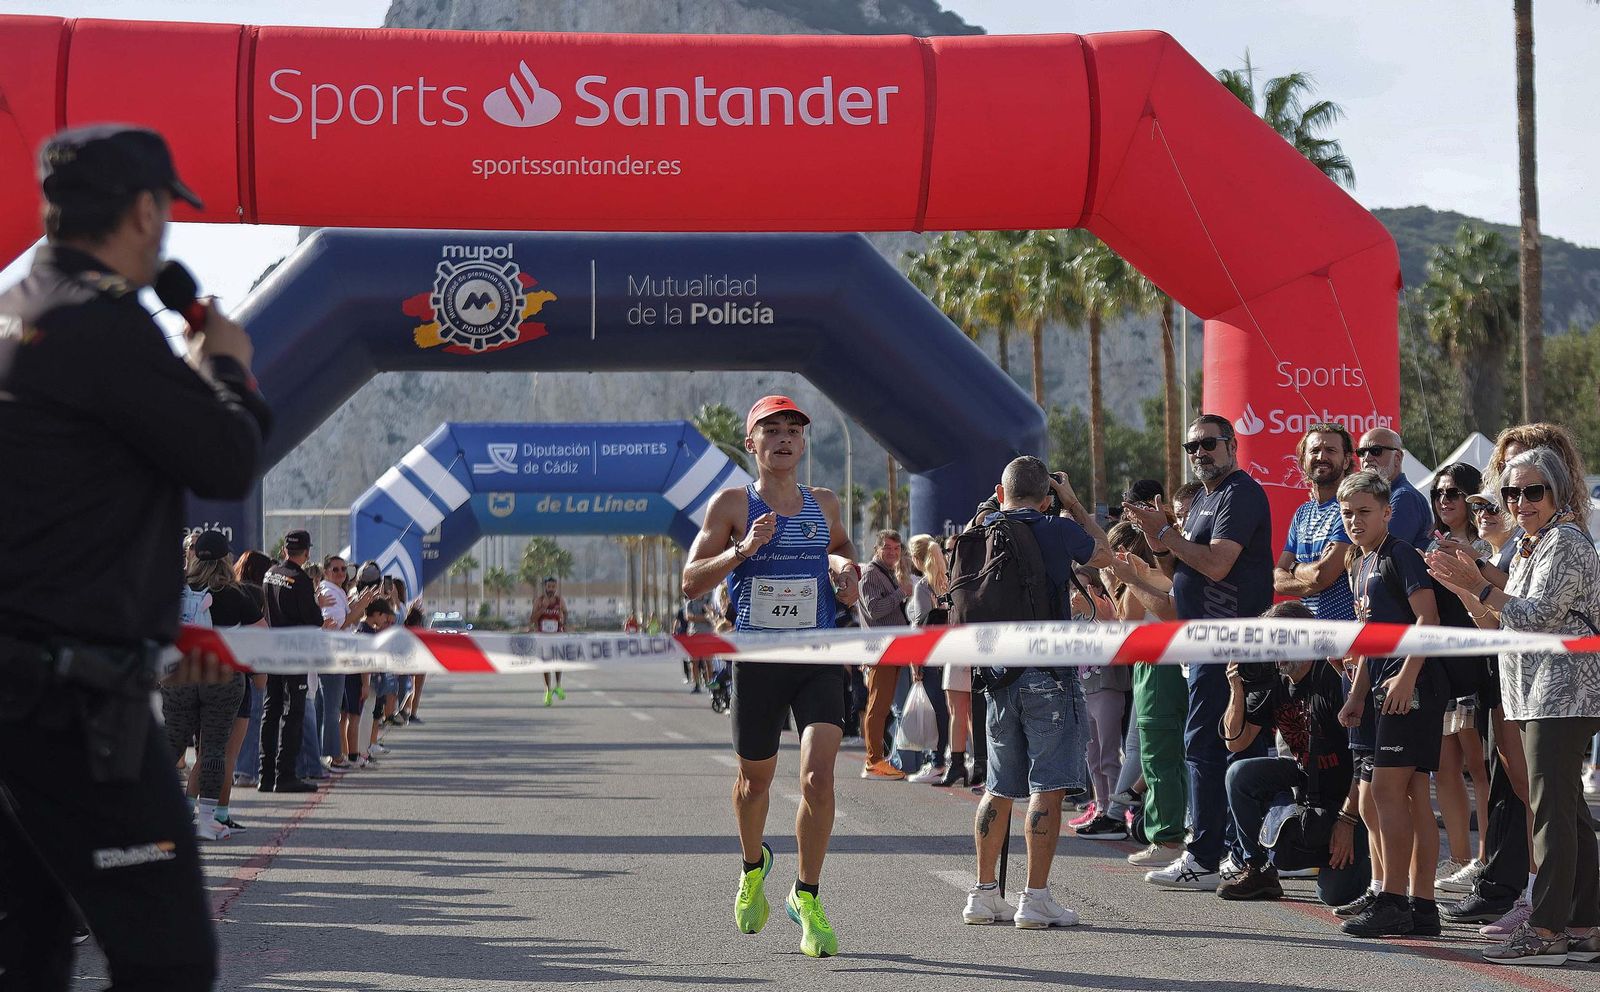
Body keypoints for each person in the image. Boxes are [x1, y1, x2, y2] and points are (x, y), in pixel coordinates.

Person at [0, 123, 269, 991]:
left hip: (23, 697)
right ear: (147, 211)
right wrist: (226, 369)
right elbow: (224, 460)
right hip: (75, 707)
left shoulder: (20, 306)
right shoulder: (102, 324)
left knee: (29, 948)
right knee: (168, 956)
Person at [681, 395, 860, 958]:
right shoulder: (733, 503)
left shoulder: (824, 503)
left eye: (793, 430)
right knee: (754, 782)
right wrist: (742, 549)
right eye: (772, 430)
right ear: (752, 443)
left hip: (817, 656)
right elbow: (691, 580)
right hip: (757, 661)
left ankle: (806, 896)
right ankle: (752, 865)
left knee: (818, 779)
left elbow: (840, 548)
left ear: (803, 443)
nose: (784, 438)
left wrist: (845, 571)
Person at [1427, 447, 1600, 966]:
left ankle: (1546, 929)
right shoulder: (1529, 545)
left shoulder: (1565, 542)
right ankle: (1585, 924)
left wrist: (1479, 584)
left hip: (1564, 693)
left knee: (1551, 814)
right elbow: (1494, 622)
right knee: (1567, 813)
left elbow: (1537, 616)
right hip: (1535, 693)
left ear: (1557, 492)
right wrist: (1462, 586)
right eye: (1511, 493)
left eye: (1532, 491)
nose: (1520, 502)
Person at [958, 457, 1111, 929]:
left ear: (1000, 493)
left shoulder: (981, 530)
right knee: (1048, 787)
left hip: (997, 674)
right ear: (1047, 497)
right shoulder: (1057, 528)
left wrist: (993, 506)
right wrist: (1073, 504)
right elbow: (1105, 553)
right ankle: (1035, 898)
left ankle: (984, 894)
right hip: (1049, 674)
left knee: (999, 787)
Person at [1124, 413, 1274, 891]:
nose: (1199, 454)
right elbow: (1180, 569)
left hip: (1229, 643)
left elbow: (1217, 564)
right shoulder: (1206, 498)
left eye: (1208, 443)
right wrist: (1157, 536)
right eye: (1192, 447)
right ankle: (1234, 854)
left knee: (1212, 747)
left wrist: (1167, 534)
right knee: (1215, 747)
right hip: (1204, 644)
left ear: (1232, 445)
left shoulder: (1240, 494)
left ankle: (1208, 856)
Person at [1335, 470, 1445, 939]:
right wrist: (1357, 695)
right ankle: (1423, 907)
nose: (1355, 520)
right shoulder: (1359, 563)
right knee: (1411, 793)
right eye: (1347, 513)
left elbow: (1428, 618)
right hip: (1382, 687)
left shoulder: (1399, 554)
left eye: (1365, 511)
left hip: (1414, 688)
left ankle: (1394, 901)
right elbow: (1372, 641)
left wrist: (1407, 675)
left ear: (1387, 512)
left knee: (1384, 792)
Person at [1219, 601, 1367, 907]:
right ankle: (1258, 869)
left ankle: (1375, 861)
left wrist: (1348, 820)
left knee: (1335, 895)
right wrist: (1236, 688)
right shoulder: (1274, 678)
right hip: (1307, 783)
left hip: (1350, 794)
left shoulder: (1332, 678)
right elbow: (1236, 742)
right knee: (1239, 774)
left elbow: (1365, 761)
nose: (1274, 651)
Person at [1102, 523, 1189, 868]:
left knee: (1159, 755)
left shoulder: (1157, 575)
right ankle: (1170, 834)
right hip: (1153, 665)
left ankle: (1167, 838)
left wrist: (1122, 581)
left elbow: (1127, 619)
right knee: (1161, 754)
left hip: (1161, 666)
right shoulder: (1151, 574)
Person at [165, 531, 259, 842]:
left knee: (172, 744)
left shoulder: (176, 588)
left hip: (180, 674)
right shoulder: (235, 594)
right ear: (225, 559)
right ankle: (207, 821)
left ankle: (153, 815)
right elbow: (262, 634)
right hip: (222, 677)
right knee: (214, 748)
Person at [1426, 464, 1493, 897]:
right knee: (1444, 766)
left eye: (1453, 493)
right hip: (1440, 665)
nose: (1444, 500)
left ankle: (1485, 858)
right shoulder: (1430, 545)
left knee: (1477, 766)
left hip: (1476, 663)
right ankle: (1460, 856)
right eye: (1438, 493)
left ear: (1472, 497)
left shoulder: (1484, 545)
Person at [260, 530, 322, 794]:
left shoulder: (270, 573)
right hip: (294, 653)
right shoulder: (301, 579)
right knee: (293, 713)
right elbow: (315, 619)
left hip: (271, 651)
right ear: (306, 552)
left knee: (271, 710)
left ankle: (266, 775)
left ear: (285, 550)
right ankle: (285, 775)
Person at [1273, 424, 1355, 620]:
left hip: (1345, 630)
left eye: (1331, 450)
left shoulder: (1350, 508)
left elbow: (1322, 575)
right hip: (1310, 631)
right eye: (1315, 450)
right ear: (1303, 461)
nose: (1321, 457)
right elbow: (1277, 580)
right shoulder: (1302, 513)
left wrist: (1294, 567)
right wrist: (1312, 578)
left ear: (1346, 461)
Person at [858, 530, 912, 780]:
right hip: (881, 651)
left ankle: (878, 758)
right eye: (887, 548)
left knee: (883, 708)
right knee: (877, 707)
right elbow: (874, 609)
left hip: (891, 649)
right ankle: (874, 761)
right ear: (877, 549)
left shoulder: (885, 573)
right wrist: (901, 593)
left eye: (896, 548)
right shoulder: (871, 574)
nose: (892, 552)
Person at [1354, 427, 1431, 549]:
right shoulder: (1382, 497)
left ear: (1397, 457)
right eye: (1361, 452)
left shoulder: (1404, 497)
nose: (1367, 458)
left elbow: (1382, 549)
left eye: (1376, 451)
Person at [532, 577, 568, 706]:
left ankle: (558, 686)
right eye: (549, 587)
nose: (551, 589)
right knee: (546, 664)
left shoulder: (559, 600)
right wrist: (543, 608)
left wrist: (564, 624)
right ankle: (548, 690)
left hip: (557, 635)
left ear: (556, 588)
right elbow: (532, 618)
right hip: (543, 636)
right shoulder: (539, 600)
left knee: (558, 661)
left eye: (553, 587)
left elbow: (566, 612)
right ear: (545, 587)